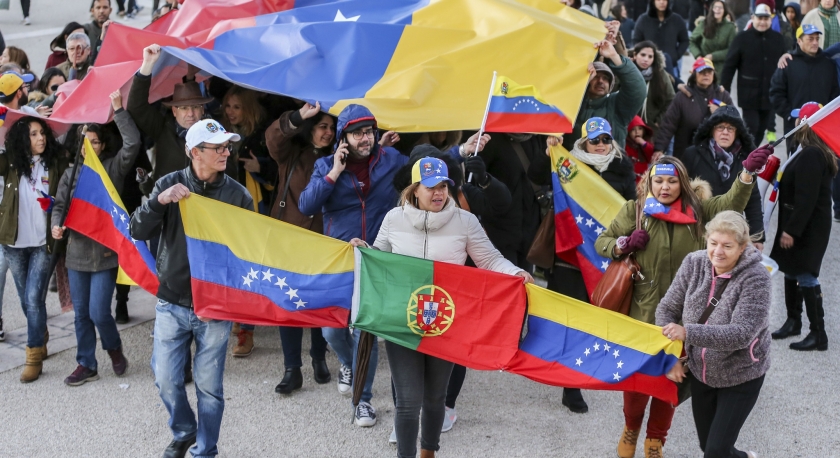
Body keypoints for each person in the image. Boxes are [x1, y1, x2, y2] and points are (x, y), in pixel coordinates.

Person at [350, 155, 533, 458]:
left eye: (444, 186)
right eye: (431, 186)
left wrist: (515, 272)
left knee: (435, 399)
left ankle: (428, 452)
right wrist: (364, 250)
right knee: (408, 401)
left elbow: (489, 260)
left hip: (445, 321)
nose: (439, 193)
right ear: (414, 189)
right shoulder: (394, 218)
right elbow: (378, 257)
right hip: (402, 320)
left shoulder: (466, 221)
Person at [595, 149, 771, 458]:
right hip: (645, 313)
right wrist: (623, 244)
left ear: (683, 184)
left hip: (688, 318)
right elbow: (602, 242)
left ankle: (655, 441)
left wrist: (746, 175)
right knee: (639, 381)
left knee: (672, 384)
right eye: (658, 181)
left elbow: (731, 204)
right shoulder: (634, 210)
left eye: (671, 182)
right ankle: (631, 428)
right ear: (648, 183)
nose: (664, 187)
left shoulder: (699, 211)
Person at [130, 119, 252, 458]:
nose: (227, 152)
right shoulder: (168, 183)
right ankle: (184, 431)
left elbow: (251, 249)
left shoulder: (237, 195)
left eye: (228, 146)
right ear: (194, 152)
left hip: (214, 305)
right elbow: (137, 230)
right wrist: (160, 202)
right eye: (219, 147)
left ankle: (206, 450)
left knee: (209, 388)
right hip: (172, 300)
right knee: (166, 379)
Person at [299, 103, 407, 427]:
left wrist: (461, 151)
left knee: (364, 333)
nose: (366, 138)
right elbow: (306, 205)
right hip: (338, 259)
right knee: (331, 331)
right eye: (357, 133)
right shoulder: (324, 165)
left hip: (376, 260)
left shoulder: (392, 161)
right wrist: (334, 172)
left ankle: (363, 400)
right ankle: (347, 363)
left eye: (369, 132)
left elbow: (424, 171)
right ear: (343, 138)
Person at [657, 211, 769, 458]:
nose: (718, 251)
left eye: (727, 246)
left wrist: (687, 333)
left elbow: (741, 334)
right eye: (713, 243)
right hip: (702, 373)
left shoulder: (757, 277)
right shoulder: (694, 263)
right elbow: (667, 308)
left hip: (741, 374)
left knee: (715, 451)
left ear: (742, 247)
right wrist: (672, 355)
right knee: (709, 446)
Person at [50, 91, 140, 386]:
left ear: (102, 146)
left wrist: (118, 109)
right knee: (80, 316)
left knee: (100, 312)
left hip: (104, 255)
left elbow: (133, 144)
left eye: (96, 141)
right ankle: (86, 363)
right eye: (86, 142)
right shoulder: (70, 173)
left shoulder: (113, 168)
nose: (91, 146)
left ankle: (113, 349)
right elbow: (60, 206)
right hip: (75, 255)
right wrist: (56, 225)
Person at [265, 102, 336, 394]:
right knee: (288, 305)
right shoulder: (292, 152)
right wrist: (298, 116)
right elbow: (272, 138)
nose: (328, 133)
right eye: (322, 126)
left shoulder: (338, 157)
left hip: (324, 241)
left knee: (320, 304)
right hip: (290, 240)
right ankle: (292, 369)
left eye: (332, 128)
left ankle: (319, 358)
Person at [0, 117, 70, 383]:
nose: (41, 138)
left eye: (42, 133)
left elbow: (69, 189)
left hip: (44, 243)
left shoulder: (56, 162)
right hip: (13, 244)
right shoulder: (9, 163)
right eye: (33, 134)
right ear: (21, 139)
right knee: (26, 300)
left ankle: (33, 356)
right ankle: (39, 333)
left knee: (32, 298)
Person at [768, 102, 835, 351]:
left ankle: (819, 334)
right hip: (800, 223)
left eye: (798, 118)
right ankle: (792, 321)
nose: (794, 122)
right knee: (791, 269)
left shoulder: (811, 154)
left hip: (807, 228)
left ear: (806, 123)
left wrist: (791, 230)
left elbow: (806, 199)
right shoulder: (806, 150)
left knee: (806, 275)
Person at [128, 44, 215, 196]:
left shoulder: (216, 135)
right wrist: (147, 65)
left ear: (202, 109)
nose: (190, 113)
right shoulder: (163, 128)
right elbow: (136, 106)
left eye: (195, 107)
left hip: (204, 212)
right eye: (184, 108)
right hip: (169, 211)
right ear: (174, 111)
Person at [681, 105, 766, 246]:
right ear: (711, 130)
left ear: (737, 133)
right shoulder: (692, 155)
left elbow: (753, 199)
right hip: (697, 231)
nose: (725, 132)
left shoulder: (745, 160)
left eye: (731, 128)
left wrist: (757, 237)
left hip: (731, 232)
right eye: (720, 127)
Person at [562, 38, 646, 151]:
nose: (601, 81)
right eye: (596, 77)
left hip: (609, 167)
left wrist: (613, 55)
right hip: (571, 166)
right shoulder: (570, 102)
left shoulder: (616, 106)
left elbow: (637, 89)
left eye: (606, 78)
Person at [720, 5, 788, 144]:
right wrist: (724, 90)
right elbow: (729, 65)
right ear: (753, 18)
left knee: (761, 129)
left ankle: (751, 155)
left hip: (769, 95)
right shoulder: (742, 38)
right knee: (752, 126)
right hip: (748, 94)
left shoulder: (778, 39)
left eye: (766, 18)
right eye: (759, 18)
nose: (762, 22)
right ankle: (747, 156)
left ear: (770, 20)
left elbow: (785, 63)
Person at [770, 25, 840, 151]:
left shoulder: (827, 64)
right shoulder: (788, 63)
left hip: (822, 127)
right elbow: (776, 93)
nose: (815, 42)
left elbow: (834, 94)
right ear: (799, 41)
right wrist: (790, 116)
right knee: (797, 165)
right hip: (796, 127)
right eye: (810, 39)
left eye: (817, 39)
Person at [654, 57, 734, 159]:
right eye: (702, 71)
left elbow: (735, 121)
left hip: (714, 156)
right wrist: (659, 148)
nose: (706, 74)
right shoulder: (682, 97)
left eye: (709, 72)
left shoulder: (722, 95)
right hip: (685, 153)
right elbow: (668, 124)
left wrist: (719, 112)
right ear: (694, 75)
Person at [633, 0, 690, 79]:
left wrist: (676, 55)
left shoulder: (677, 20)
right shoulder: (643, 20)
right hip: (648, 68)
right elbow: (636, 40)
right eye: (658, 0)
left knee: (673, 88)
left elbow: (684, 40)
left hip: (671, 66)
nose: (662, 2)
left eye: (664, 0)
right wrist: (644, 56)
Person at [632, 41, 676, 137]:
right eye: (643, 55)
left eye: (650, 56)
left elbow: (671, 99)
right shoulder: (627, 71)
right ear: (635, 55)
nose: (646, 59)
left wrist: (658, 121)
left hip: (651, 129)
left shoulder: (661, 74)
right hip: (628, 127)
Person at [690, 0, 737, 70]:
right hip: (704, 66)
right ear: (711, 9)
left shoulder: (730, 27)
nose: (717, 9)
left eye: (720, 7)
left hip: (722, 68)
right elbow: (692, 41)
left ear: (725, 10)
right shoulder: (704, 23)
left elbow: (732, 49)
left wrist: (713, 56)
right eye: (715, 7)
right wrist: (698, 56)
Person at [626, 115, 656, 182]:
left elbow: (651, 157)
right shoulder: (626, 144)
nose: (637, 132)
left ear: (644, 131)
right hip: (628, 180)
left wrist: (644, 144)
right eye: (633, 129)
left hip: (641, 181)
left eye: (640, 129)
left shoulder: (647, 143)